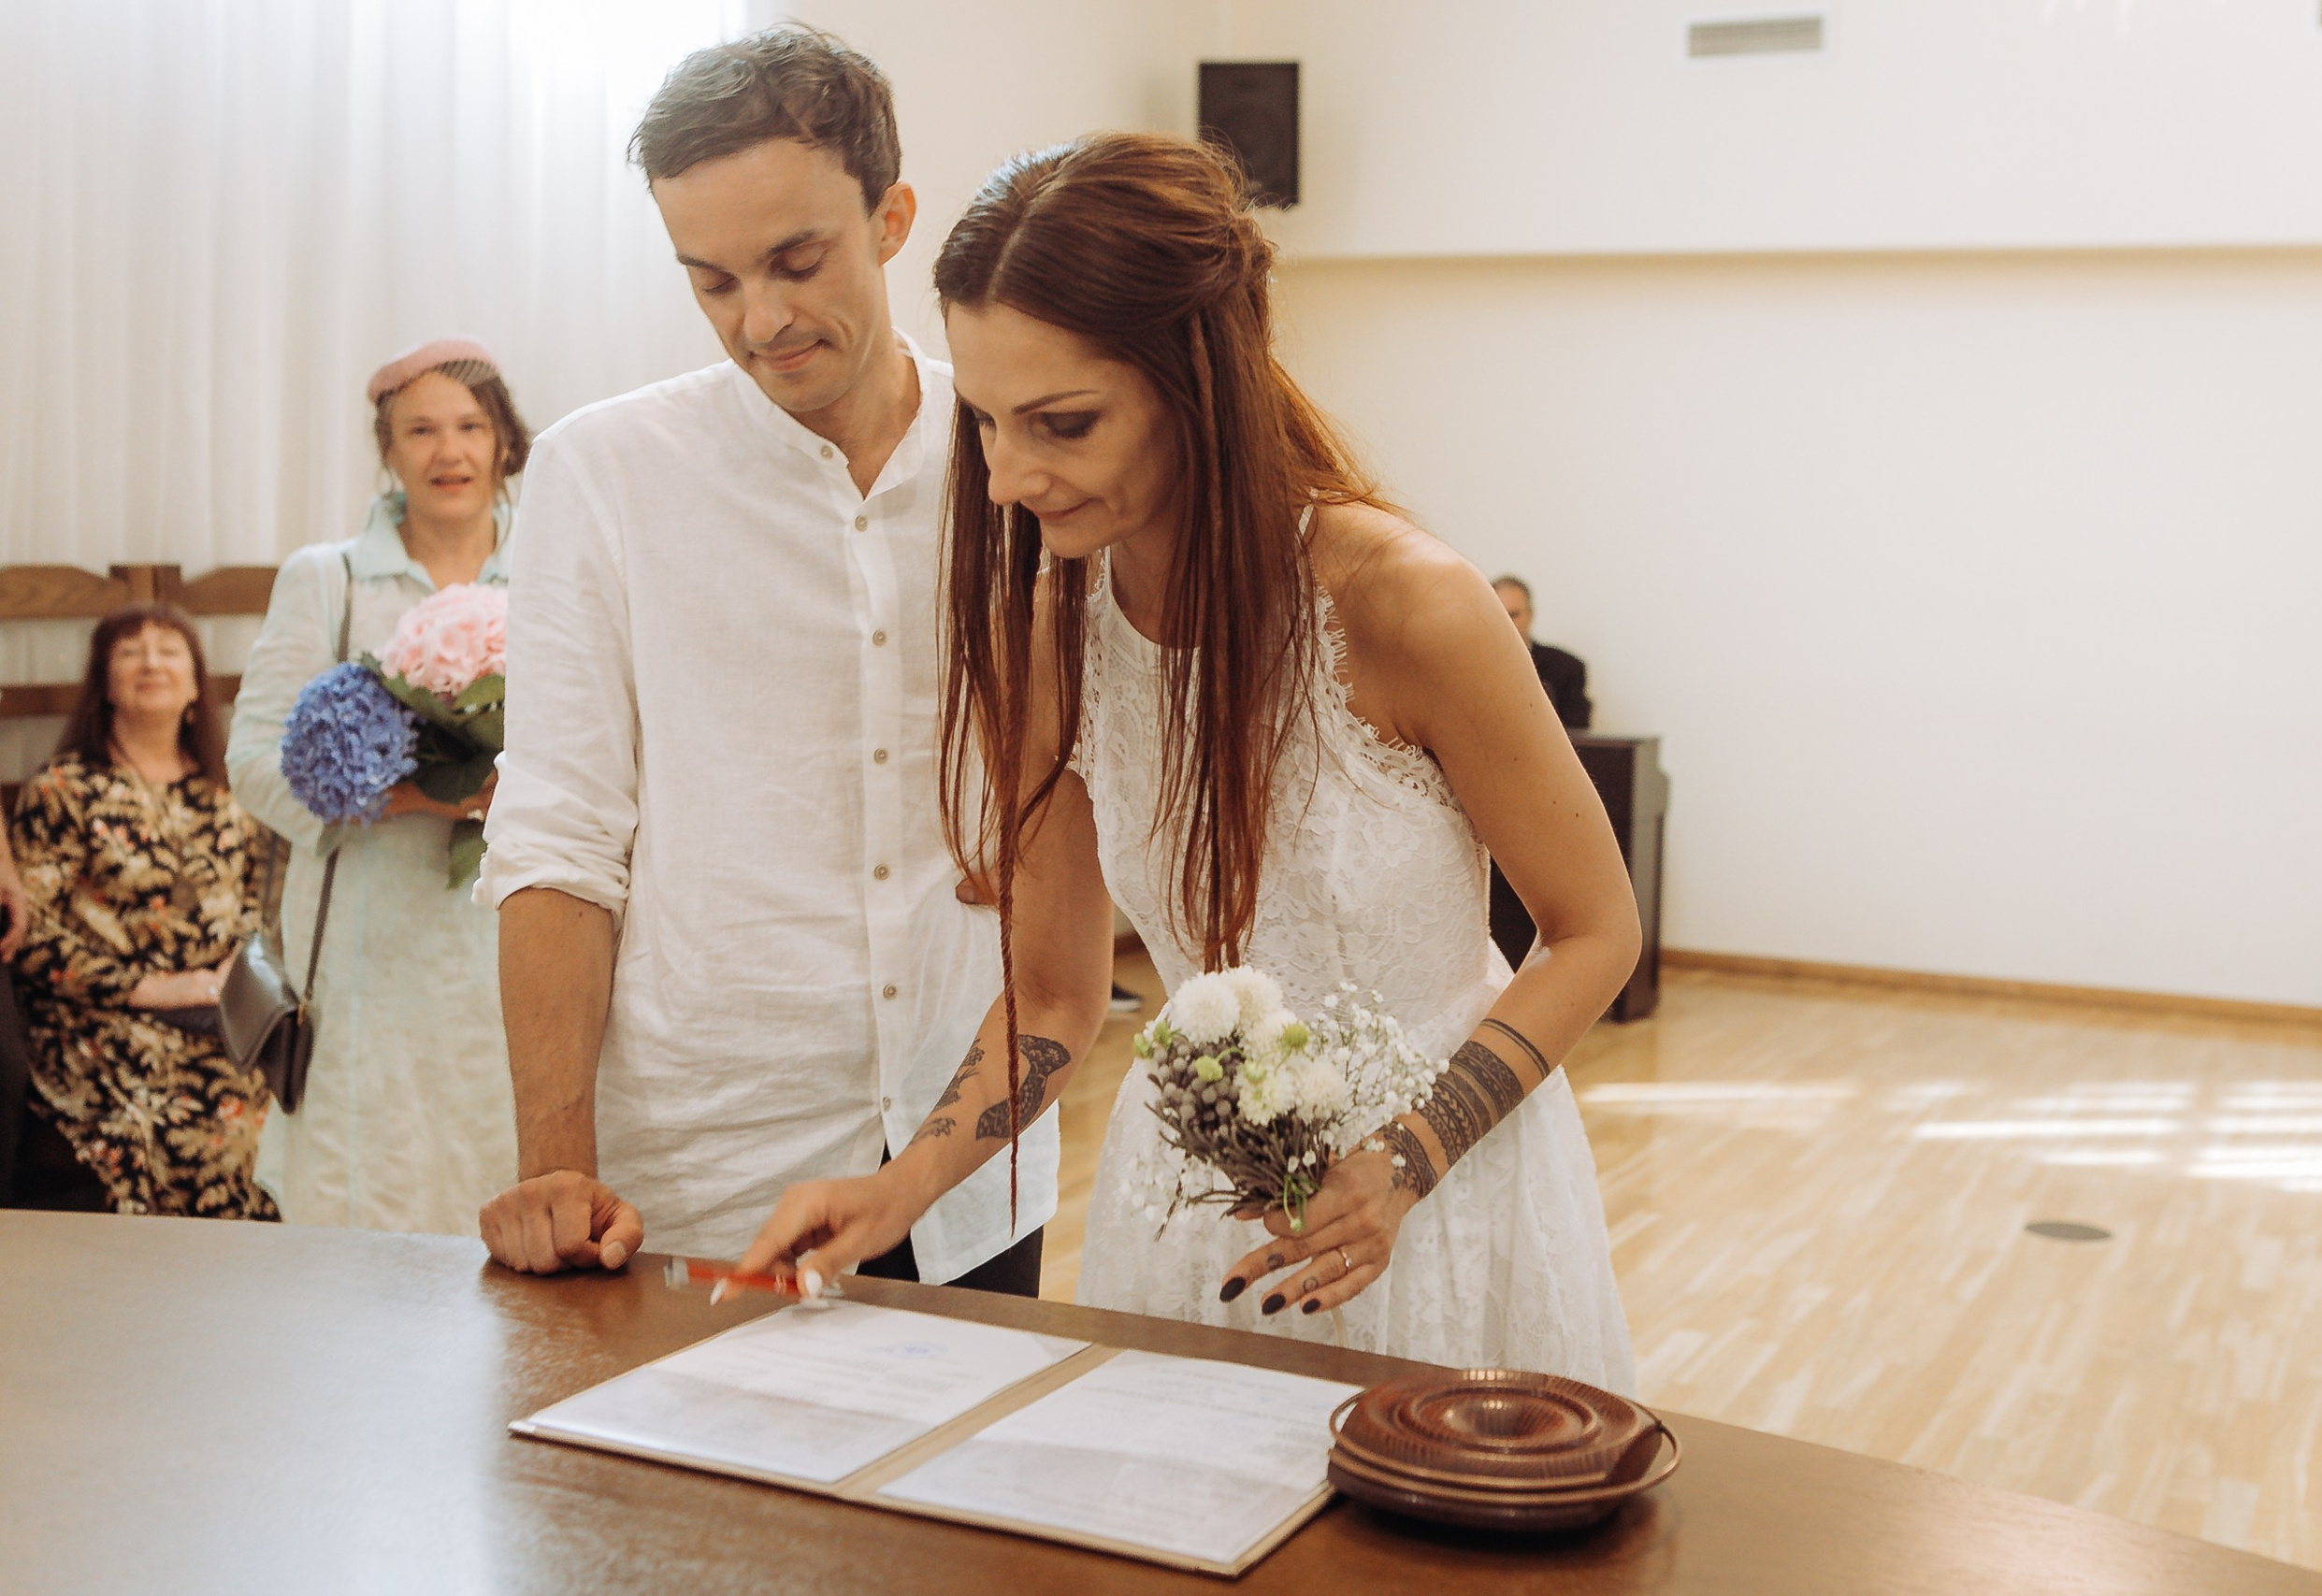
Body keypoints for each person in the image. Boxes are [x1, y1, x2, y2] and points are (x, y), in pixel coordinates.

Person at [733, 134, 1641, 1390]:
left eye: (1064, 423)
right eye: (987, 422)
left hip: (1440, 1194)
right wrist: (898, 1194)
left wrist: (1409, 1157)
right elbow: (1054, 1000)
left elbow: (1595, 929)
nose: (1007, 479)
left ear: (1201, 381)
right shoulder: (1050, 621)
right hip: (1187, 1211)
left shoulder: (1407, 605)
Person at [473, 26, 1053, 1294]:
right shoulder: (604, 472)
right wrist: (556, 1166)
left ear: (892, 216)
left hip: (974, 1157)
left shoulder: (1018, 453)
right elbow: (560, 832)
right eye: (714, 281)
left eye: (799, 260)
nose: (763, 319)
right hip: (708, 1165)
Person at [224, 338, 523, 1234]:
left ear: (504, 443)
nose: (450, 451)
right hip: (368, 954)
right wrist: (424, 796)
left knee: (502, 1168)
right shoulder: (331, 578)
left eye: (472, 427)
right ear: (387, 449)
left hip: (512, 938)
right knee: (376, 1192)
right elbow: (253, 758)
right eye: (421, 430)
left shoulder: (556, 566)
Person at [10, 606, 275, 1218]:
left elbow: (262, 902)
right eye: (130, 651)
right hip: (101, 1018)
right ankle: (179, 1295)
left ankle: (268, 1291)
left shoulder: (227, 790)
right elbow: (32, 933)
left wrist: (239, 966)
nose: (151, 662)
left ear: (194, 687)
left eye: (170, 651)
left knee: (294, 1099)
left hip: (223, 1012)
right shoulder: (64, 788)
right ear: (104, 684)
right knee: (195, 1116)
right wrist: (149, 987)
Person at [1493, 575, 1592, 731]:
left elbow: (1578, 736)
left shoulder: (1567, 668)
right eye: (1499, 614)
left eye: (1514, 614)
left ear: (1530, 615)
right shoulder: (1468, 668)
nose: (1507, 623)